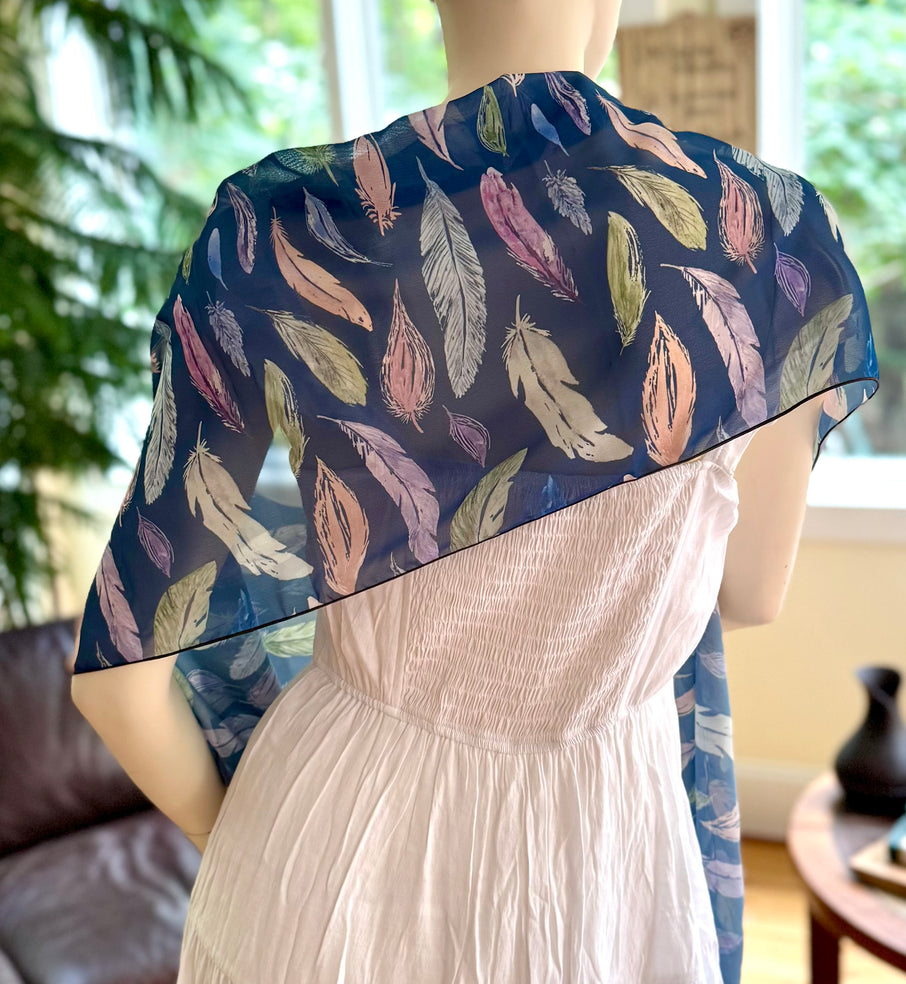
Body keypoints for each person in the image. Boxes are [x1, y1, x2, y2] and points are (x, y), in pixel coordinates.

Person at [68, 0, 880, 981]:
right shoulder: (770, 233)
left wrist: (250, 844)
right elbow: (750, 594)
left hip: (338, 841)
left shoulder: (276, 235)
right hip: (608, 850)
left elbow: (117, 682)